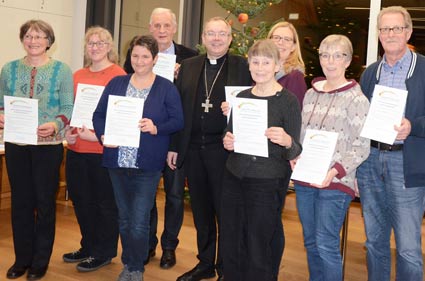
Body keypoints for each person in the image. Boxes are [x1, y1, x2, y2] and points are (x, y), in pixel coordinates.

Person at [92, 35, 184, 281]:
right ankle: (127, 264)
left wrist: (156, 127)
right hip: (117, 160)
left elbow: (178, 121)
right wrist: (104, 136)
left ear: (155, 59)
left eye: (145, 56)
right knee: (124, 217)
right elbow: (99, 115)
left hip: (148, 164)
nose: (139, 61)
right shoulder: (116, 83)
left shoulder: (166, 87)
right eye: (135, 55)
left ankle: (136, 268)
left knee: (139, 219)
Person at [169, 17, 251, 281]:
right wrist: (174, 147)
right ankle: (205, 263)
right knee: (201, 210)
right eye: (211, 34)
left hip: (225, 151)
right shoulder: (189, 66)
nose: (216, 39)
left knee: (226, 211)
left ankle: (226, 267)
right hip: (193, 149)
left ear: (230, 38)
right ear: (203, 38)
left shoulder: (244, 66)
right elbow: (178, 110)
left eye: (222, 34)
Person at [221, 39, 302, 281]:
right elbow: (231, 134)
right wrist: (228, 141)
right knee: (232, 237)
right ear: (249, 65)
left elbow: (295, 148)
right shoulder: (242, 97)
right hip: (235, 175)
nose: (260, 67)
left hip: (267, 181)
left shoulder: (287, 101)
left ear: (277, 65)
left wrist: (287, 140)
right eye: (255, 62)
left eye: (266, 62)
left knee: (260, 241)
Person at [291, 34, 370, 281]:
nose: (330, 61)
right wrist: (296, 155)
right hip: (306, 180)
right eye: (325, 55)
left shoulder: (356, 98)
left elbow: (362, 145)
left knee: (326, 244)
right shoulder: (311, 94)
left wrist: (334, 171)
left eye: (338, 55)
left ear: (347, 61)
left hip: (335, 183)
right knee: (311, 242)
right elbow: (302, 133)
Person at [124, 8, 198, 269]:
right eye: (157, 25)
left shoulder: (191, 58)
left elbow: (191, 106)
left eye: (167, 25)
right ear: (149, 27)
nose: (162, 30)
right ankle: (148, 244)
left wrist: (182, 75)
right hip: (146, 140)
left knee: (175, 195)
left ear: (174, 28)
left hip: (176, 138)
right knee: (147, 196)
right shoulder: (137, 55)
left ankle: (169, 247)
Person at [0, 19, 74, 280]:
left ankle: (40, 261)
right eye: (29, 36)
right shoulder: (8, 69)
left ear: (49, 41)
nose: (33, 41)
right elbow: (1, 103)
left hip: (48, 146)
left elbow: (68, 107)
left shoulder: (62, 70)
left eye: (40, 37)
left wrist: (55, 125)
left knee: (44, 203)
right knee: (20, 202)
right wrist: (1, 115)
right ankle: (21, 260)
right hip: (17, 144)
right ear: (23, 40)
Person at [356, 6, 425, 281]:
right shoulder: (370, 73)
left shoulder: (424, 68)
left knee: (408, 247)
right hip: (371, 162)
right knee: (374, 241)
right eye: (385, 29)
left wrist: (413, 125)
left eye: (397, 28)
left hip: (406, 165)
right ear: (379, 34)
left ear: (408, 31)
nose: (390, 34)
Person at [62, 26, 125, 272]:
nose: (95, 47)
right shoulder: (77, 75)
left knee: (104, 204)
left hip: (102, 150)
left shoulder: (118, 75)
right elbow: (70, 108)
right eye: (91, 43)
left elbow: (119, 115)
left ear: (109, 47)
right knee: (81, 200)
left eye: (100, 43)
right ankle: (87, 245)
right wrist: (67, 129)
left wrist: (97, 135)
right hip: (77, 148)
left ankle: (104, 251)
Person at [268, 21, 307, 107]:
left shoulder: (295, 76)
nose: (281, 42)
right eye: (276, 37)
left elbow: (296, 112)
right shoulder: (260, 72)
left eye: (287, 39)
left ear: (293, 46)